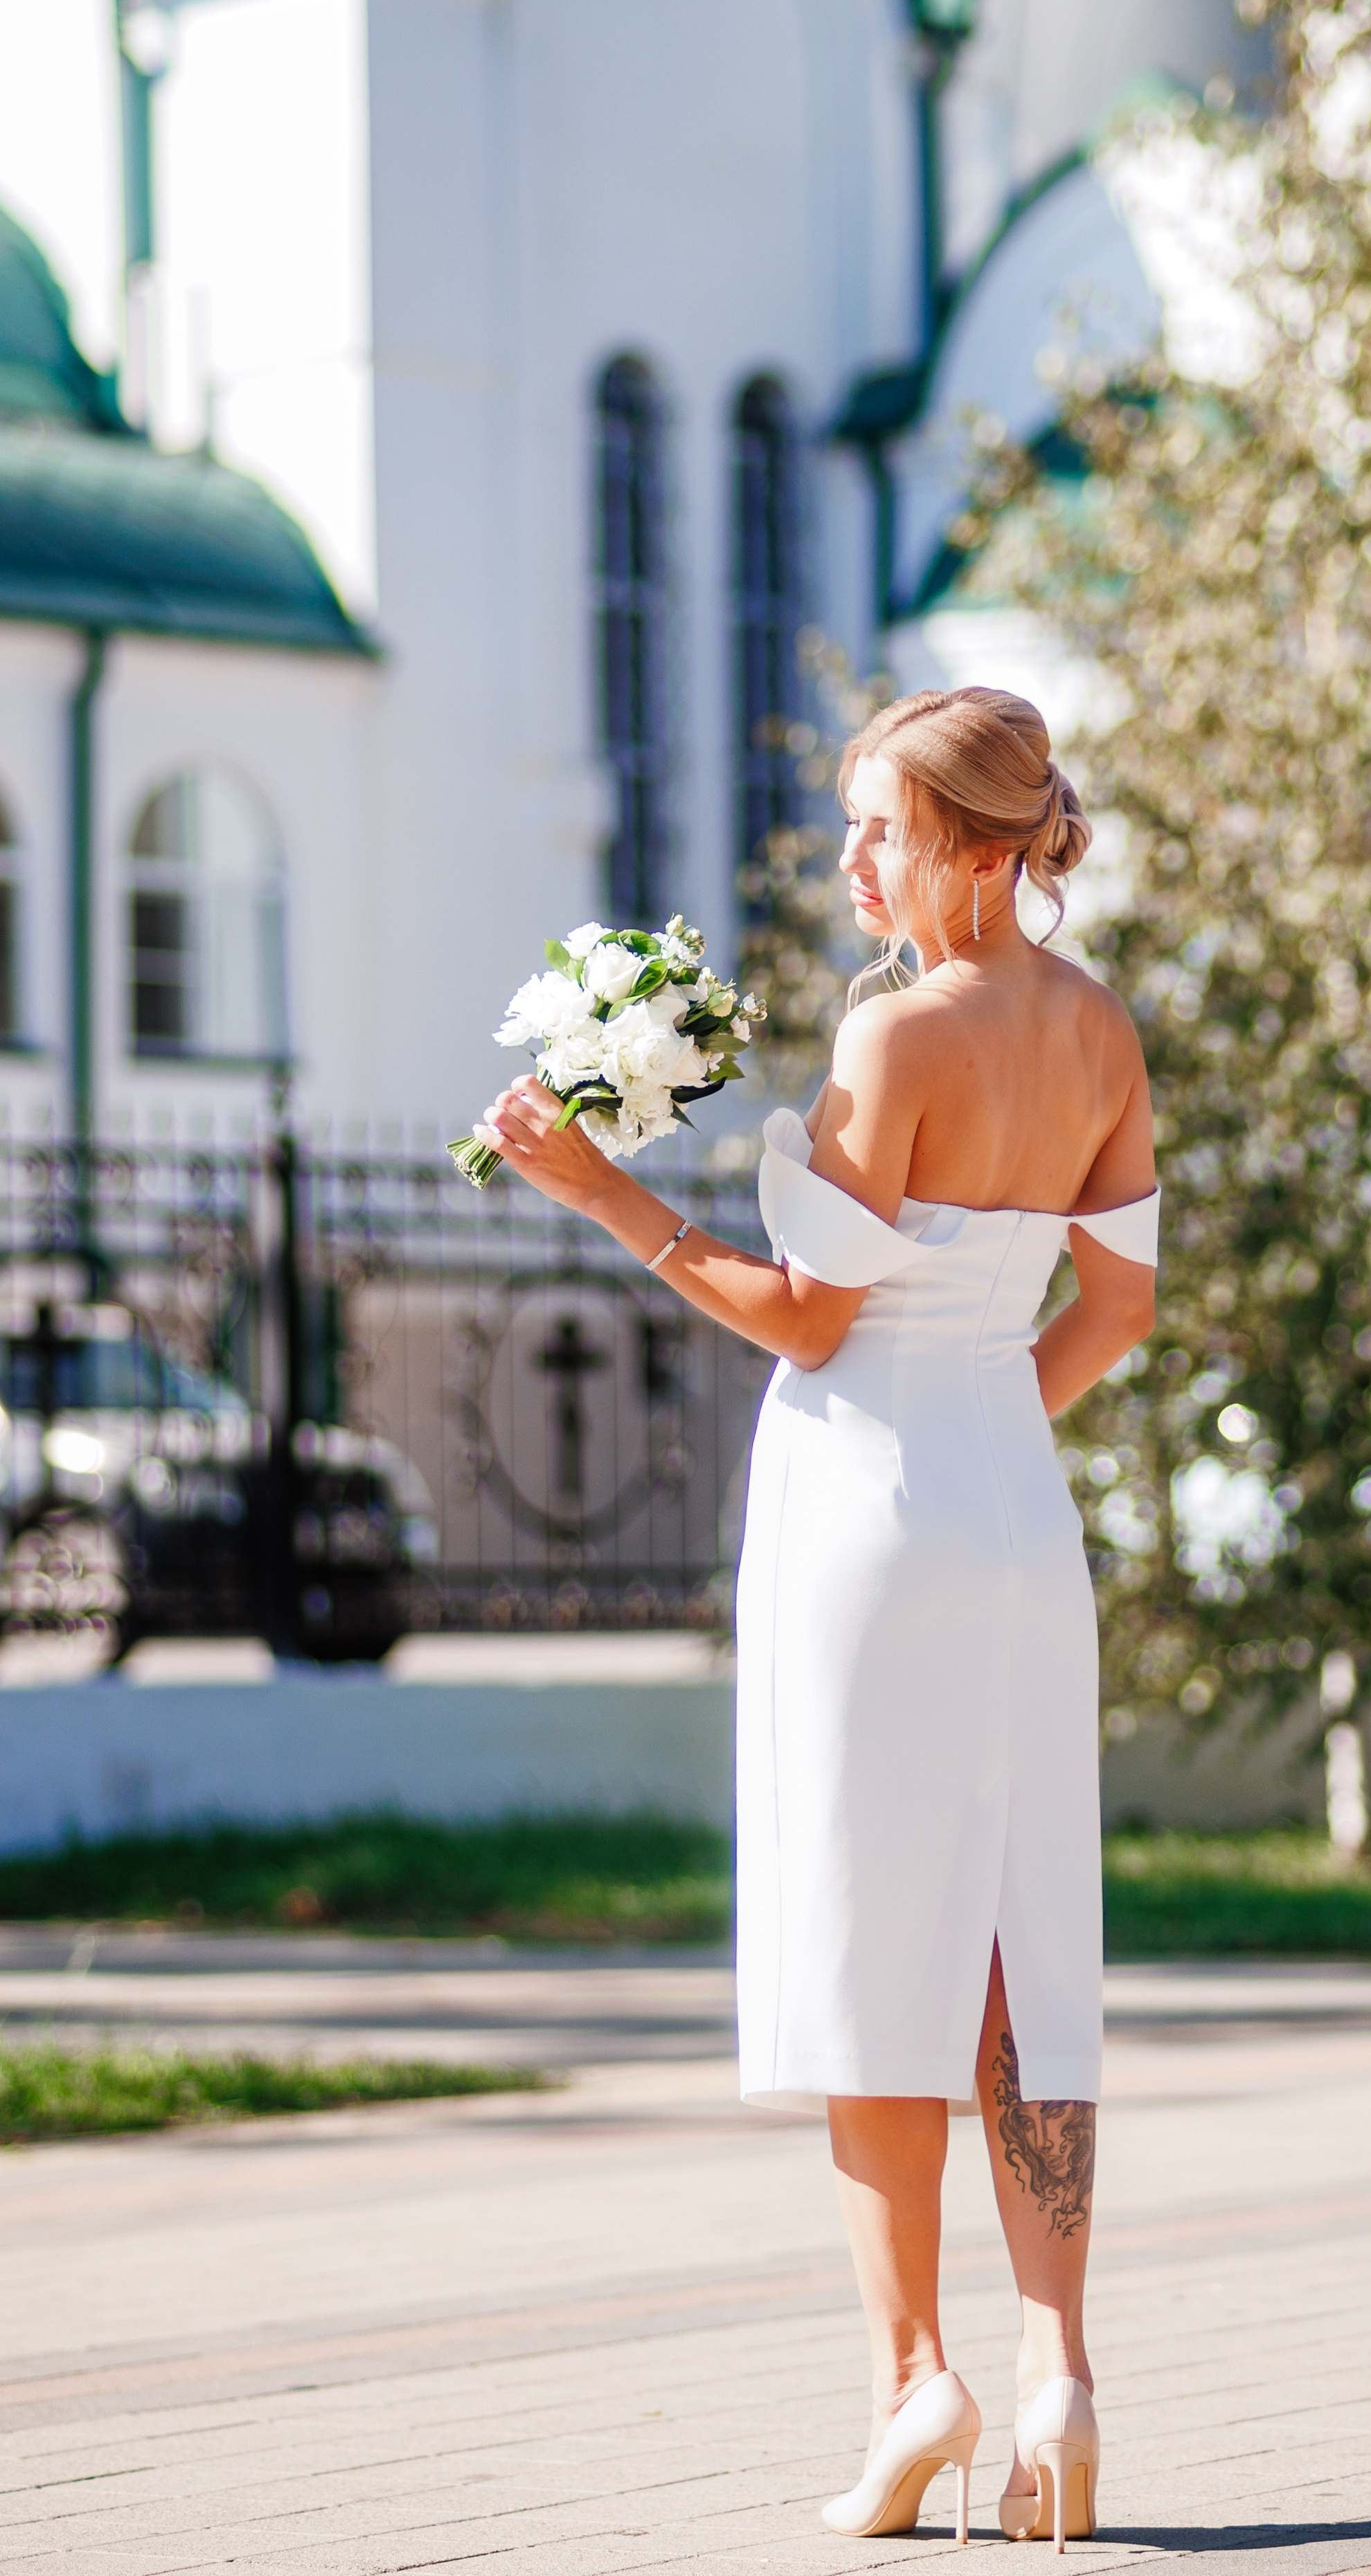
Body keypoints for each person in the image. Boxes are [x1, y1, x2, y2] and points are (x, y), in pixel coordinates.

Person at [476, 685, 1157, 2549]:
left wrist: (600, 1189)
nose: (854, 859)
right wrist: (996, 1422)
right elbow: (1114, 1315)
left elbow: (804, 1318)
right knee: (1026, 1946)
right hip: (1020, 1515)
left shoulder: (897, 1029)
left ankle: (911, 2384)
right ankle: (1065, 2378)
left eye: (880, 826)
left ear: (977, 839)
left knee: (879, 1944)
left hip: (871, 1512)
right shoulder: (1100, 1029)